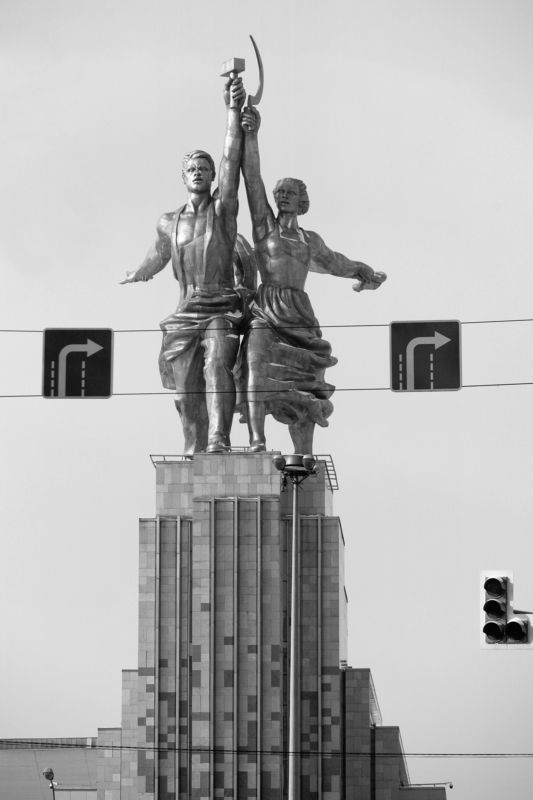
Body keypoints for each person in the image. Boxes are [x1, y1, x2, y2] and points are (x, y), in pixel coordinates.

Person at [237, 106, 387, 454]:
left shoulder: (310, 241)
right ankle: (257, 440)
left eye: (290, 192)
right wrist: (251, 134)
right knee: (255, 365)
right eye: (280, 192)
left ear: (302, 201)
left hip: (299, 314)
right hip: (267, 310)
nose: (283, 196)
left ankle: (303, 453)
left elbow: (337, 262)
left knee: (305, 386)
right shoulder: (265, 228)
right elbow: (252, 178)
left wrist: (365, 271)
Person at [121, 77, 248, 455]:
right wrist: (139, 272)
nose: (198, 172)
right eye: (192, 168)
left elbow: (232, 161)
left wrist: (231, 112)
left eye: (204, 168)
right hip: (185, 310)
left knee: (216, 366)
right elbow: (160, 253)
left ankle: (218, 440)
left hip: (220, 306)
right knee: (185, 387)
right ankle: (194, 446)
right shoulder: (168, 221)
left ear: (212, 178)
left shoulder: (223, 212)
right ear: (183, 176)